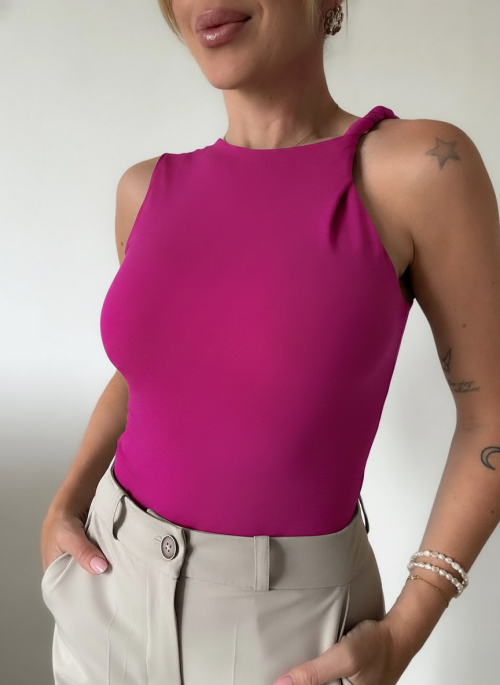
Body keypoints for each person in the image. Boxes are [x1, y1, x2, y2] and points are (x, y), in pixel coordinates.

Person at [40, 1, 500, 684]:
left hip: (289, 640)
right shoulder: (144, 191)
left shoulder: (419, 171)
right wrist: (67, 500)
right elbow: (150, 377)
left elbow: (491, 416)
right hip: (107, 598)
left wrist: (404, 633)